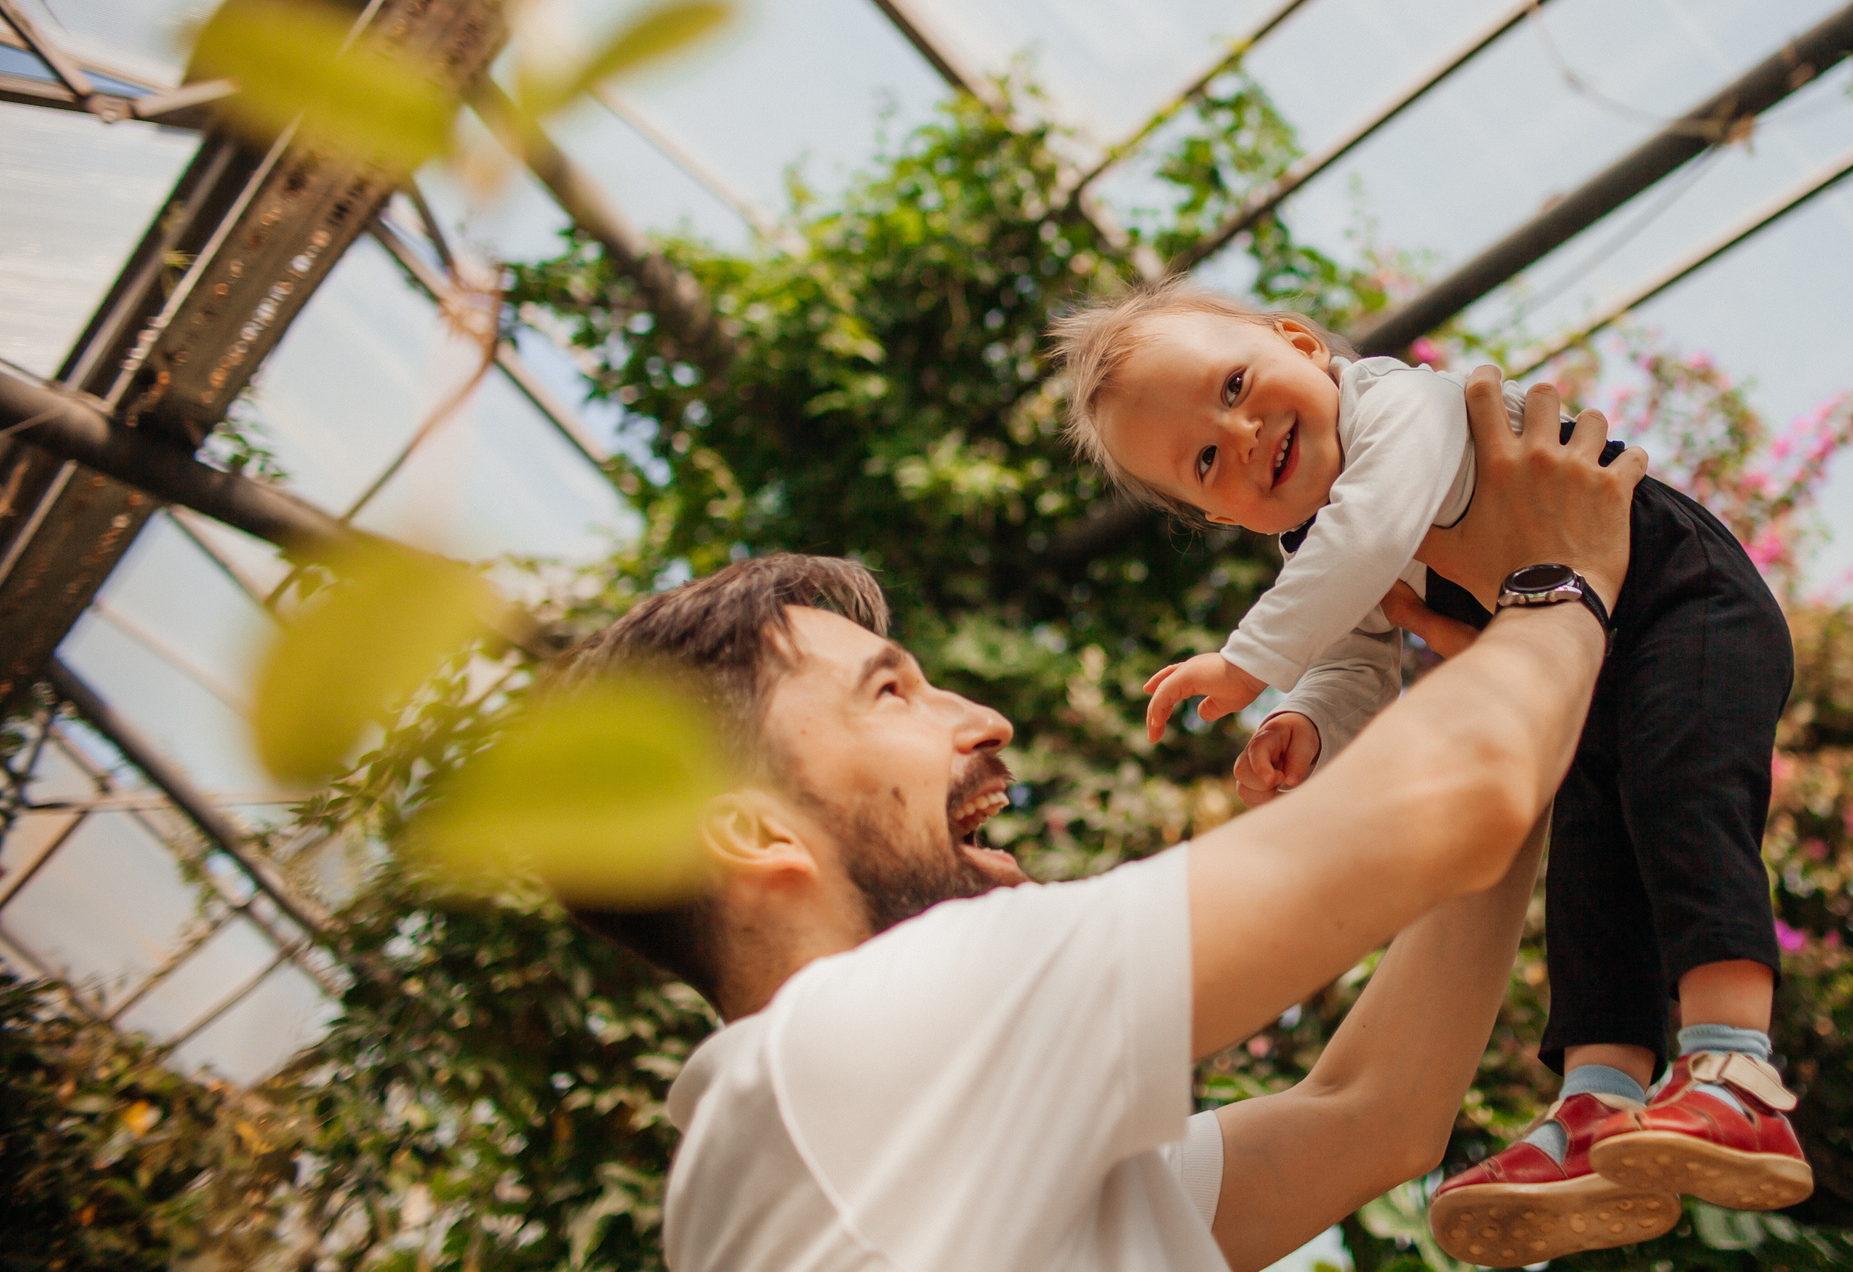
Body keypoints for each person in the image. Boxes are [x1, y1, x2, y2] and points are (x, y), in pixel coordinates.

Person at [552, 373, 1649, 1272]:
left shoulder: (886, 1151)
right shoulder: (843, 1049)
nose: (985, 719)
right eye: (889, 694)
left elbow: (1373, 1115)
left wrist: (1514, 686)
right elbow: (1459, 793)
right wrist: (1556, 582)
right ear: (753, 835)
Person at [1051, 283, 1810, 1265]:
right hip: (1575, 661)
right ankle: (1600, 1099)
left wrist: (1245, 664)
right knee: (1590, 875)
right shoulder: (1318, 544)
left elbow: (1368, 535)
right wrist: (1303, 722)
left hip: (1679, 604)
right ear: (1217, 514)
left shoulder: (1395, 408)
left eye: (1236, 384)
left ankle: (1733, 1070)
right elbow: (1356, 656)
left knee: (1679, 803)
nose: (1240, 434)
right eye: (1205, 458)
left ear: (1301, 344)